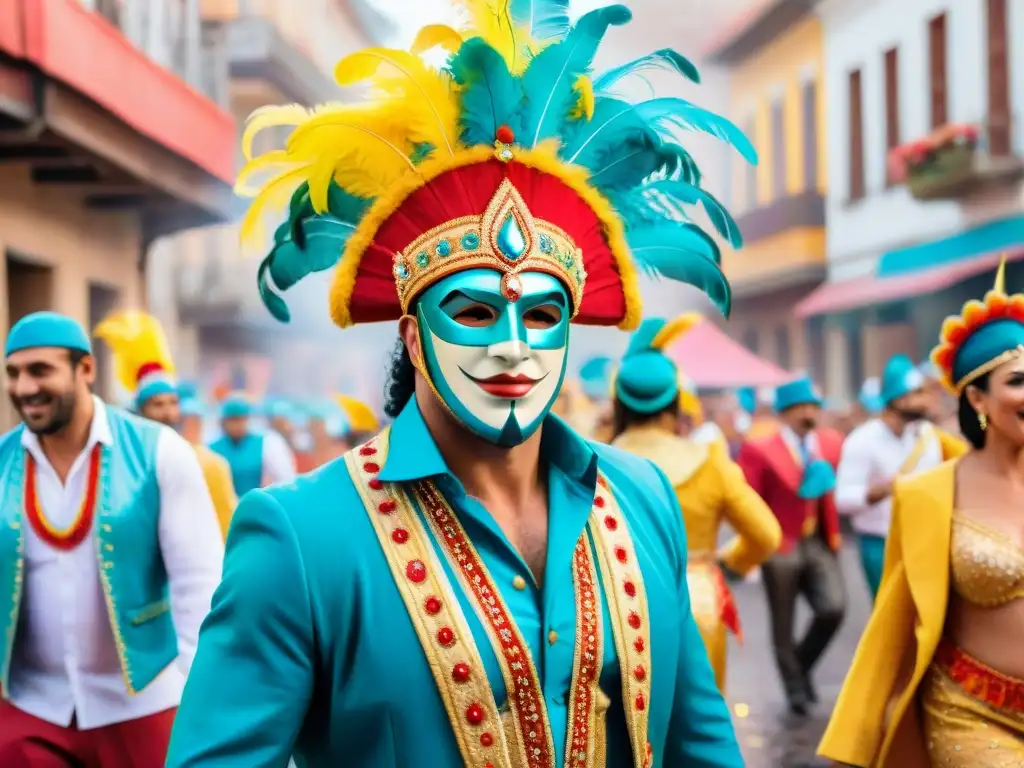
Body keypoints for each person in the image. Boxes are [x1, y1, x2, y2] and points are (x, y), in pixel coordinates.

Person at [166, 3, 757, 765]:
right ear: (413, 335)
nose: (513, 346)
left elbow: (700, 745)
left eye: (542, 313)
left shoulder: (644, 500)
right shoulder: (299, 537)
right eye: (475, 311)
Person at [820, 260, 1024, 766]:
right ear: (976, 397)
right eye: (1018, 381)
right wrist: (862, 729)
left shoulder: (928, 441)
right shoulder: (926, 492)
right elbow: (892, 627)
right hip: (971, 714)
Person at [0, 311, 224, 767]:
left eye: (40, 370)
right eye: (14, 373)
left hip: (145, 701)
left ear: (86, 369)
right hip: (30, 707)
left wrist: (191, 692)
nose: (24, 388)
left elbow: (199, 585)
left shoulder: (161, 451)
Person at [610, 313, 781, 691]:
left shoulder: (596, 464)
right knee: (702, 718)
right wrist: (728, 564)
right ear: (675, 401)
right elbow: (766, 535)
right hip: (698, 599)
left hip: (621, 604)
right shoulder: (711, 461)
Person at [737, 375, 846, 716]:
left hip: (818, 540)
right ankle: (795, 688)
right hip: (779, 541)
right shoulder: (760, 448)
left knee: (833, 607)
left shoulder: (829, 444)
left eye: (813, 406)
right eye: (799, 407)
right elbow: (746, 500)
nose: (807, 413)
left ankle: (799, 666)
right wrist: (753, 549)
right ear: (784, 412)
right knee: (782, 621)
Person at [94, 310, 239, 539]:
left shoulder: (210, 465)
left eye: (173, 403)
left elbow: (228, 529)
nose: (168, 412)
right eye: (157, 404)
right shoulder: (122, 465)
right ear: (140, 411)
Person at [835, 354, 966, 599]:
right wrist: (881, 491)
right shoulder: (861, 441)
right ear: (899, 398)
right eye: (918, 393)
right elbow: (843, 499)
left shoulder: (928, 435)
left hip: (926, 540)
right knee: (891, 619)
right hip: (880, 544)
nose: (927, 400)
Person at [209, 393, 297, 495]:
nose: (236, 425)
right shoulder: (212, 448)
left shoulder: (266, 443)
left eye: (240, 419)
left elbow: (285, 479)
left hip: (252, 505)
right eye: (232, 420)